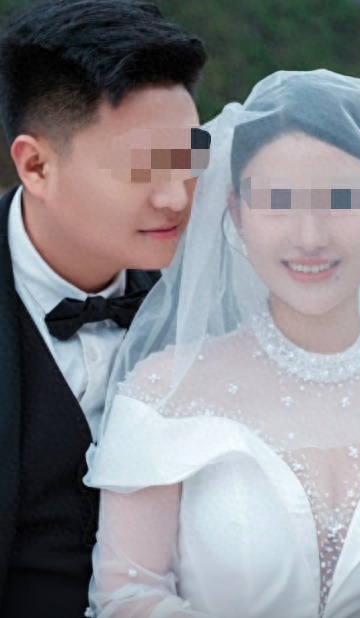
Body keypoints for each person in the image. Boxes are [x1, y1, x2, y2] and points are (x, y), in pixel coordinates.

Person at [85, 70, 360, 618]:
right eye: (278, 202)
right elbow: (126, 594)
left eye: (342, 199)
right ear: (237, 212)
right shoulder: (164, 392)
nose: (310, 237)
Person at [0, 1, 208, 616]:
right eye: (141, 167)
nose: (175, 198)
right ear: (36, 165)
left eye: (189, 158)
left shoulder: (213, 292)